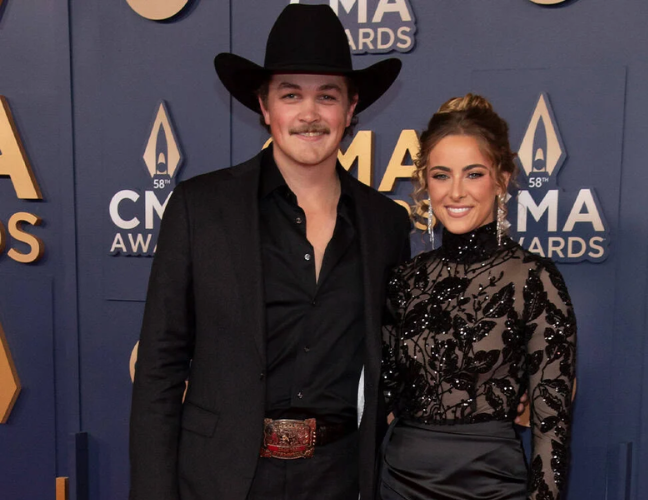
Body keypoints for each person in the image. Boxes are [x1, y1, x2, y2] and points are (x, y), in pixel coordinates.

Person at [129, 5, 410, 500]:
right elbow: (160, 367)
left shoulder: (385, 223)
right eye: (290, 95)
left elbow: (398, 358)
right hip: (220, 480)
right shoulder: (200, 208)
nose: (309, 114)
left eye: (327, 96)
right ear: (264, 107)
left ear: (350, 109)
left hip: (339, 480)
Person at [380, 94, 577, 500]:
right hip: (401, 482)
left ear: (502, 178)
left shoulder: (534, 279)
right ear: (424, 182)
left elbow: (551, 430)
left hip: (490, 485)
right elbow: (381, 396)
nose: (455, 192)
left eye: (473, 174)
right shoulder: (405, 278)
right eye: (440, 175)